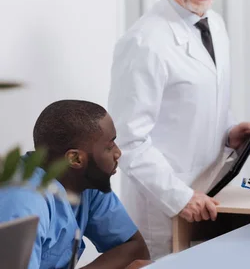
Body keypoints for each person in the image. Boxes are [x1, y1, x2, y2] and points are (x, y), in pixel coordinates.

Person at [108, 0, 250, 258]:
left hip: (209, 197)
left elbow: (198, 102)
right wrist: (178, 197)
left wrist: (230, 132)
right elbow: (127, 140)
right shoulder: (144, 42)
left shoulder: (215, 24)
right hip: (164, 210)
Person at [0, 100, 150, 269]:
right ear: (75, 159)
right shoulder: (24, 204)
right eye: (109, 147)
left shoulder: (88, 183)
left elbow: (135, 249)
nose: (118, 153)